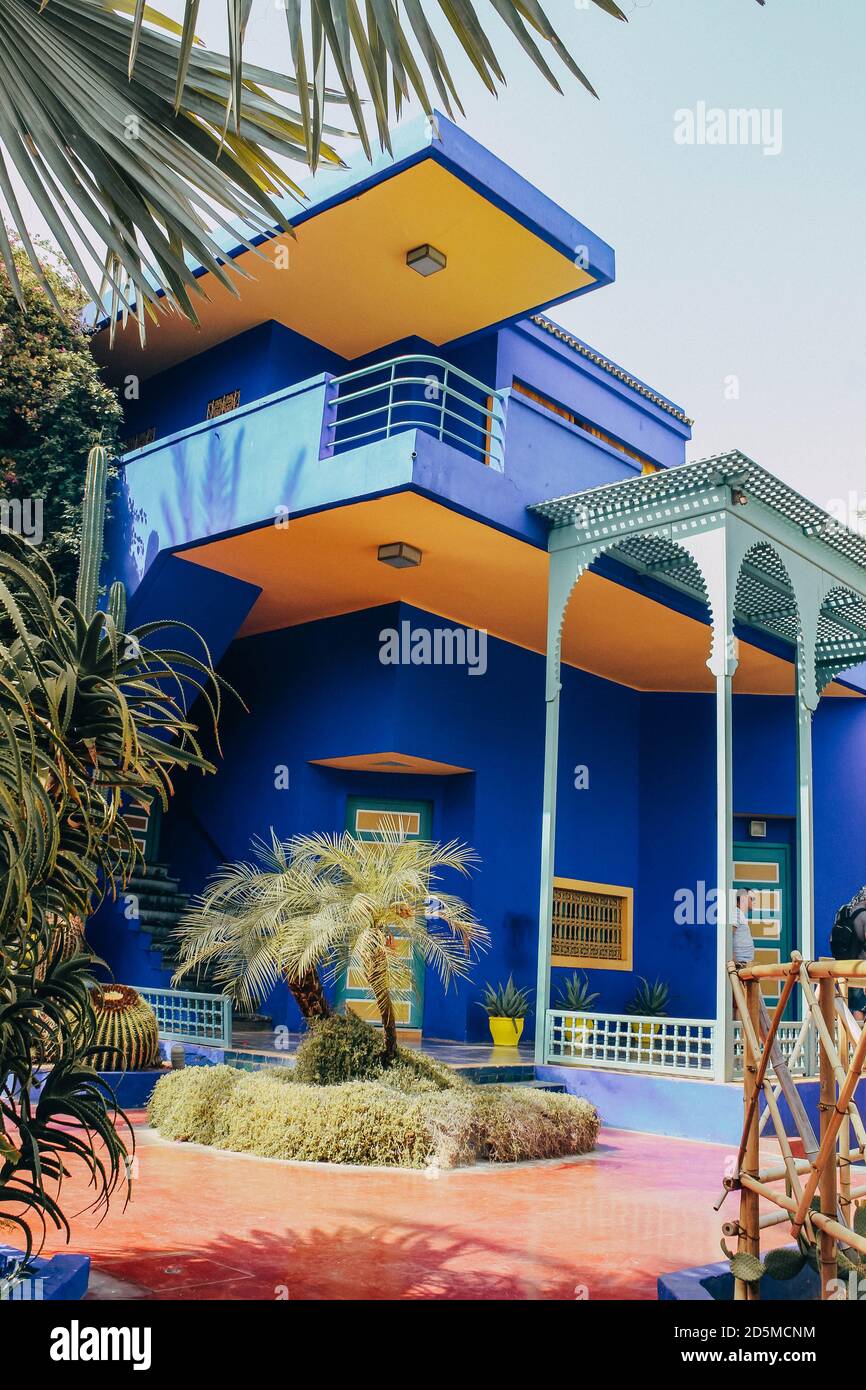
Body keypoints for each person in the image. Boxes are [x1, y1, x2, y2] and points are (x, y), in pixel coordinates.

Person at [830, 885, 866, 1020]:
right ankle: (858, 1040)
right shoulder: (864, 915)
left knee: (853, 1005)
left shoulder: (846, 911)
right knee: (861, 1007)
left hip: (846, 966)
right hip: (861, 967)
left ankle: (851, 1039)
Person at [733, 887, 757, 967]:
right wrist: (734, 962)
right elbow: (729, 937)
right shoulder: (736, 913)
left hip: (744, 963)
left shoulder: (740, 914)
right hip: (739, 963)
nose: (754, 902)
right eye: (752, 899)